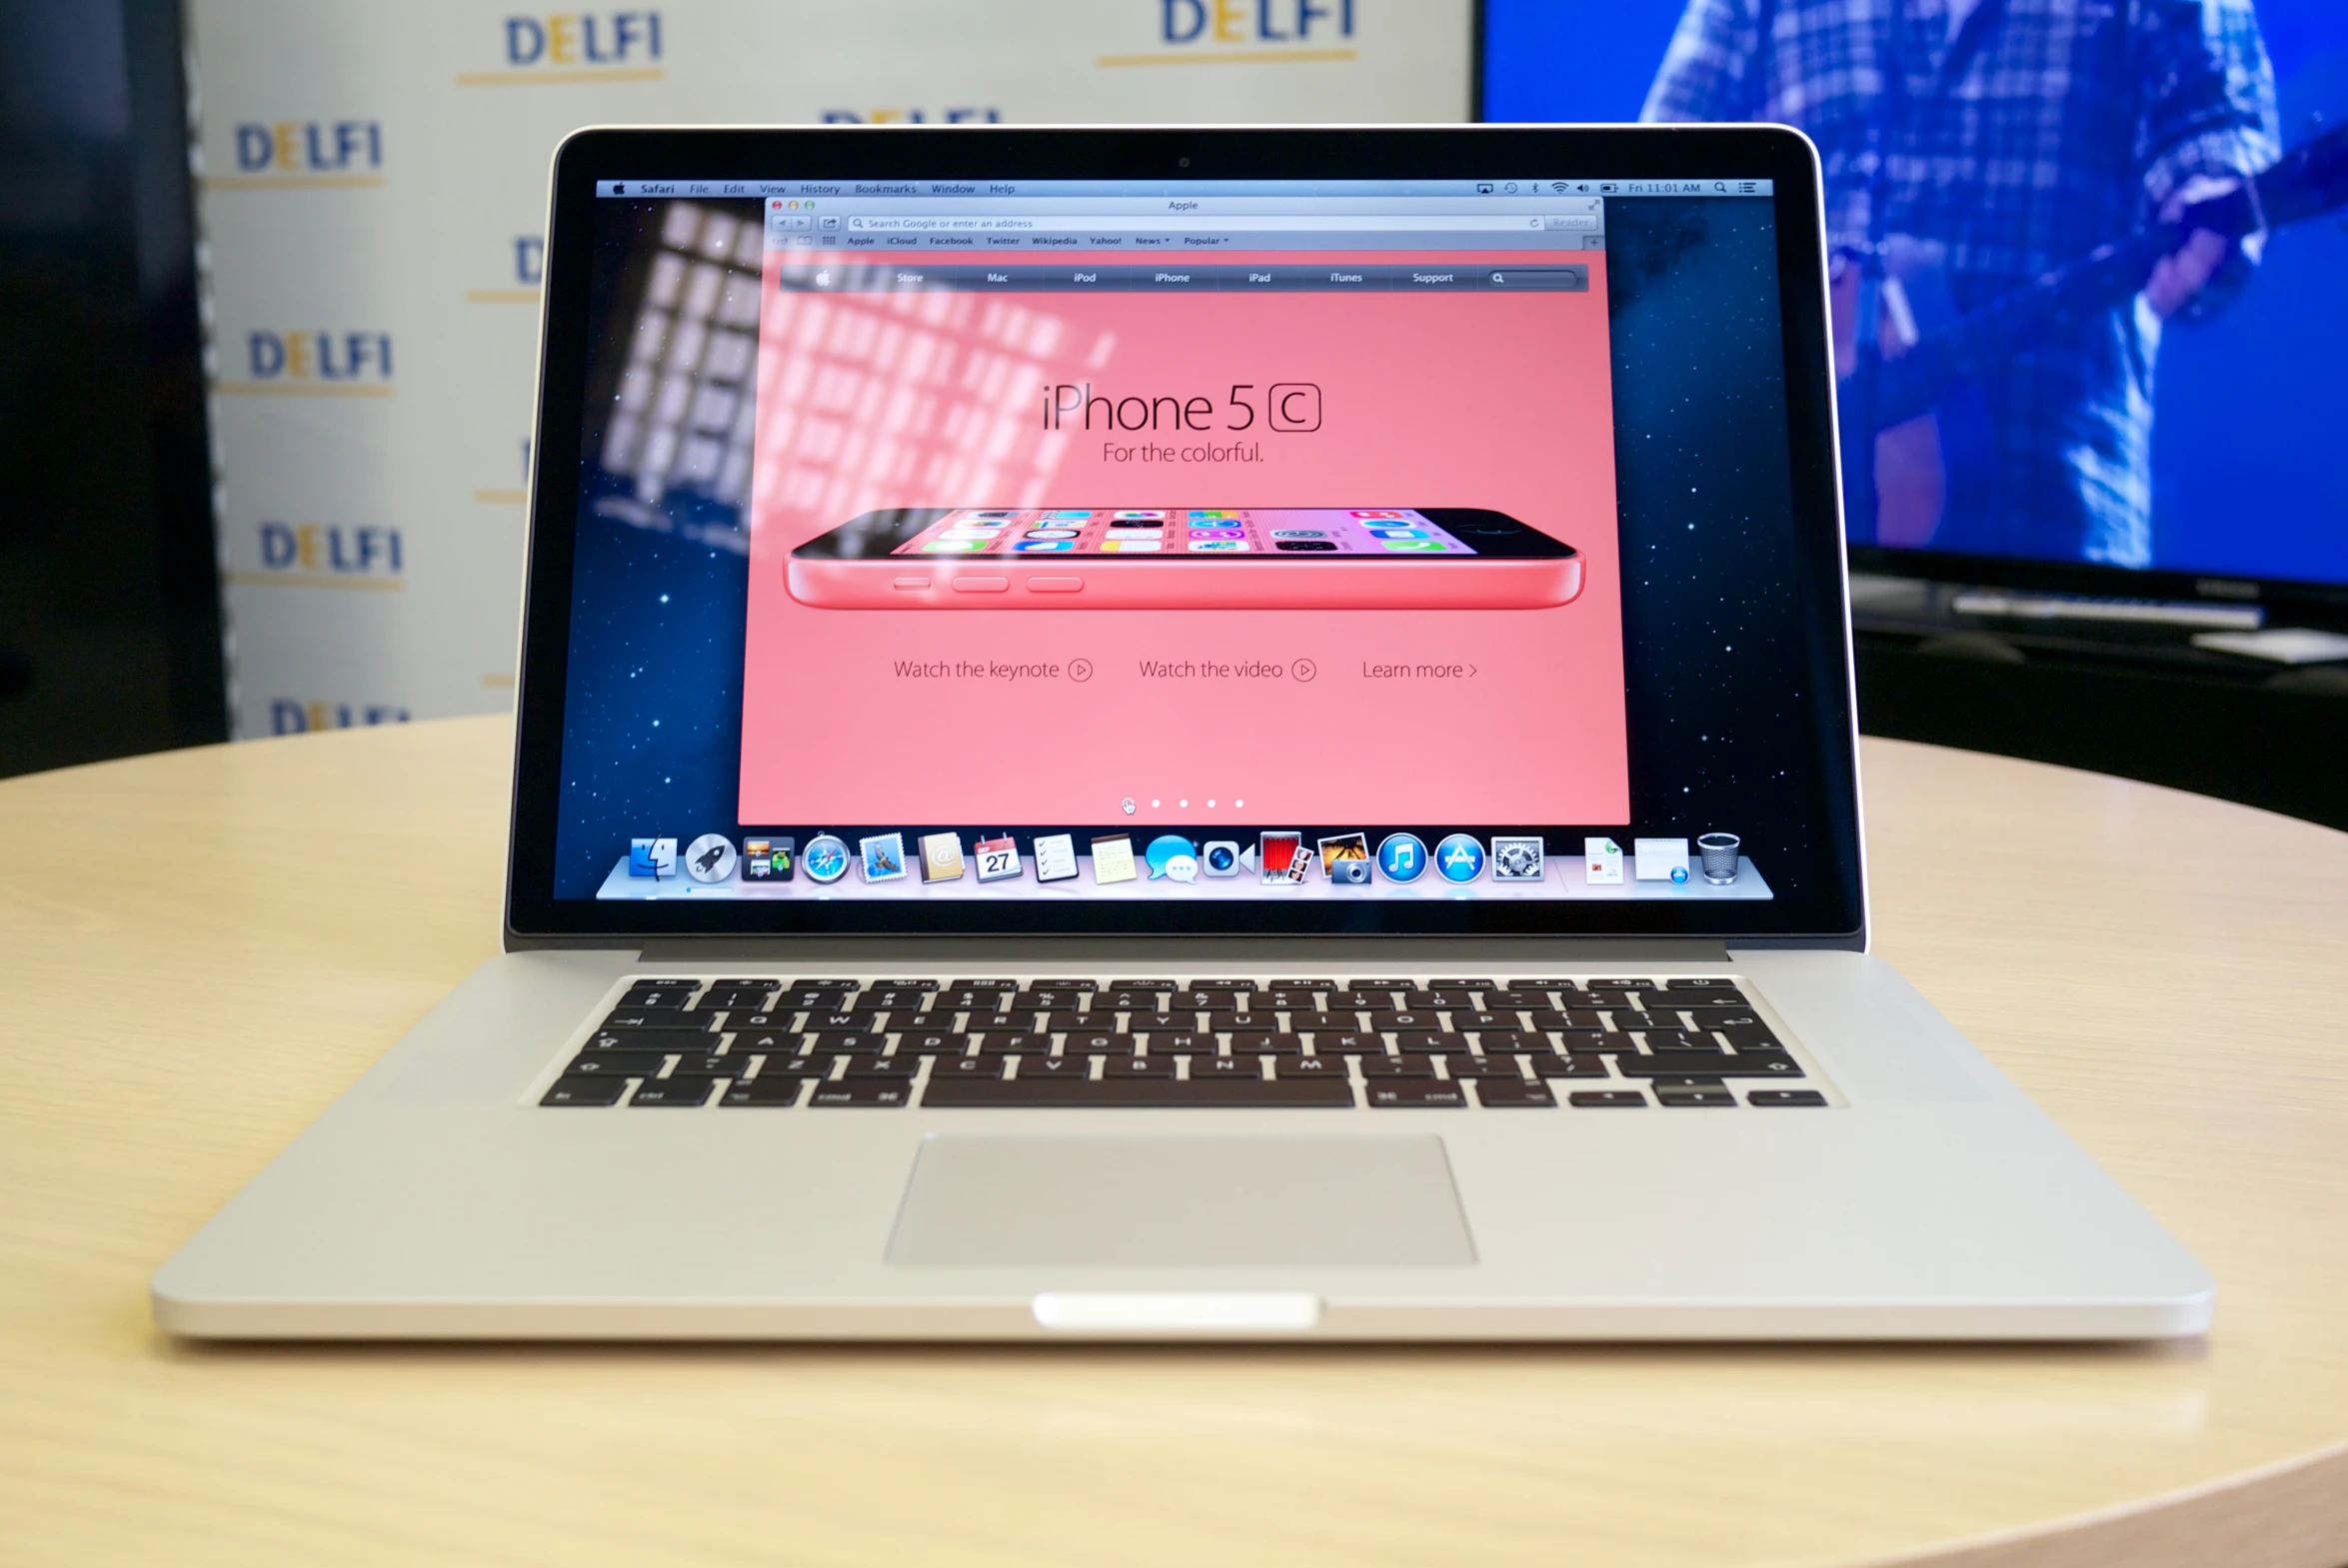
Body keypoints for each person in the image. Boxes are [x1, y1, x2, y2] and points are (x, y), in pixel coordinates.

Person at [1643, 0, 2279, 567]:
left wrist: (2213, 213)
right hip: (1795, 554)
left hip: (2052, 542)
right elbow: (1651, 218)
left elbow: (2215, 138)